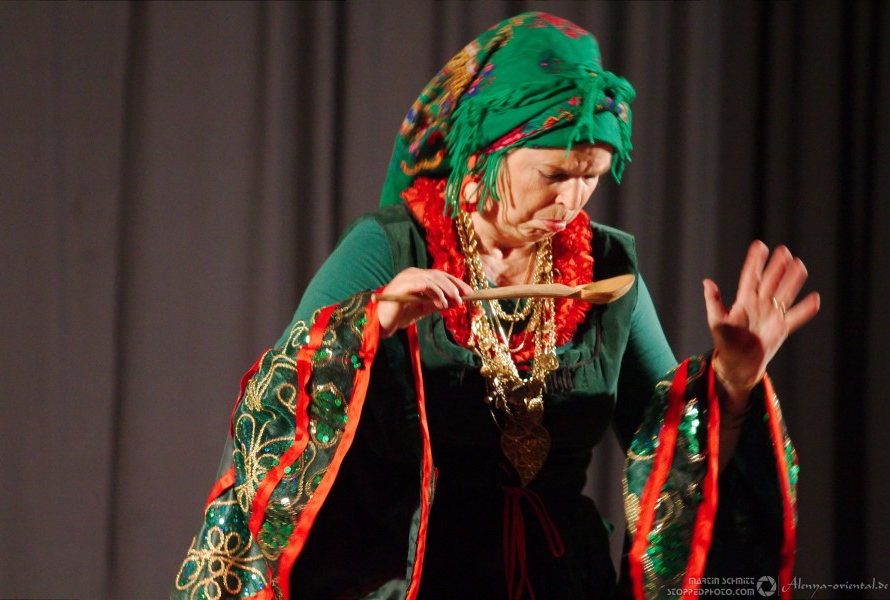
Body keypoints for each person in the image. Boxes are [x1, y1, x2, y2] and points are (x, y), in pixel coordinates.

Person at [173, 12, 819, 600]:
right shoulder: (389, 247)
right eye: (555, 175)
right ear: (487, 152)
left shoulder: (607, 270)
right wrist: (374, 323)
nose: (571, 201)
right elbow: (277, 411)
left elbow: (673, 459)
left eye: (591, 176)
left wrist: (732, 386)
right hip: (420, 580)